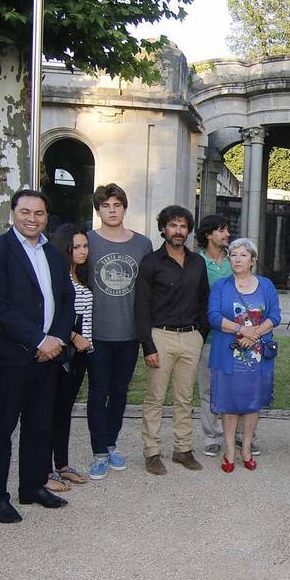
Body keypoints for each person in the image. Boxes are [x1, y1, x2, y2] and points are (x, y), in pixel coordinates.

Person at [0, 189, 75, 523]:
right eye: (25, 212)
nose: (32, 219)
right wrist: (38, 340)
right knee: (2, 428)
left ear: (47, 217)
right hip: (12, 356)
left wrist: (58, 339)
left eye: (39, 213)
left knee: (39, 426)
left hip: (49, 356)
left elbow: (66, 298)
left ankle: (32, 486)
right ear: (13, 213)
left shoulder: (53, 252)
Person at [85, 184, 154, 480]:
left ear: (125, 208)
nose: (111, 210)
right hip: (96, 331)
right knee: (98, 392)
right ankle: (99, 451)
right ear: (98, 209)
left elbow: (149, 289)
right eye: (105, 205)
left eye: (117, 205)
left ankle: (111, 444)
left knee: (120, 392)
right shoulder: (87, 241)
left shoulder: (142, 244)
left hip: (129, 332)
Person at [135, 205, 210, 475]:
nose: (178, 231)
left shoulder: (197, 263)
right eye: (173, 225)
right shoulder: (151, 263)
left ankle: (183, 449)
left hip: (191, 338)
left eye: (183, 226)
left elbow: (204, 300)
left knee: (184, 398)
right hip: (160, 336)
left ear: (188, 230)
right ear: (163, 229)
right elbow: (141, 307)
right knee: (155, 398)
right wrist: (148, 345)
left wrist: (200, 335)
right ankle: (152, 452)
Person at [207, 237, 281, 472]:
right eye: (234, 255)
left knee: (252, 403)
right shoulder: (221, 286)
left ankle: (246, 448)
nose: (237, 259)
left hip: (257, 356)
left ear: (253, 260)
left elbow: (275, 315)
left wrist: (255, 334)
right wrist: (242, 330)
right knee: (229, 403)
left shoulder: (266, 285)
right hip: (228, 355)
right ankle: (229, 450)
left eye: (243, 255)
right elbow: (214, 316)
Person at [45, 224, 93, 493]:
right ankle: (45, 469)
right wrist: (74, 336)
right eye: (76, 247)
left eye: (85, 246)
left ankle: (62, 464)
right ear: (65, 248)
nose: (82, 251)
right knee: (49, 411)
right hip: (61, 351)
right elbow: (53, 315)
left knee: (64, 411)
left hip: (81, 355)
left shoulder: (81, 276)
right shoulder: (57, 277)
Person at [195, 213, 234, 458]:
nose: (227, 234)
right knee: (208, 388)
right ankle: (211, 436)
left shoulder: (237, 260)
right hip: (208, 337)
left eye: (227, 229)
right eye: (221, 230)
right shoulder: (196, 262)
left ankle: (238, 435)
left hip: (237, 338)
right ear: (208, 234)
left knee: (237, 386)